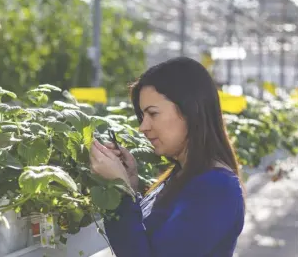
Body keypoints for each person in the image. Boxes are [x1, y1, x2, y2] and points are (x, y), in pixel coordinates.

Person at [89, 57, 245, 257]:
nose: (143, 127)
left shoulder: (216, 187)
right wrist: (131, 184)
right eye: (142, 117)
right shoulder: (182, 174)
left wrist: (120, 190)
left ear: (191, 110)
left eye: (153, 114)